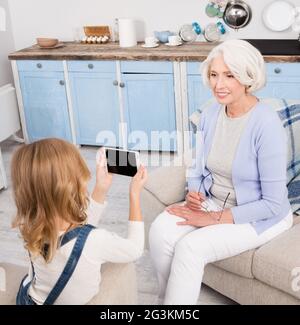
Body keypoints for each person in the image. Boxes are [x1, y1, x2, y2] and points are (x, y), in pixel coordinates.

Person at [149, 39, 293, 305]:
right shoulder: (211, 114)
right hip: (213, 202)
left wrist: (215, 219)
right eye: (214, 75)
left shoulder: (266, 124)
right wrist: (194, 193)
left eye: (229, 75)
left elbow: (272, 203)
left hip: (258, 215)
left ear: (248, 77)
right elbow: (197, 165)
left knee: (191, 248)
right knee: (160, 230)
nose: (219, 84)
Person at [12, 138, 147, 305]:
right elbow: (134, 249)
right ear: (71, 185)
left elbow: (76, 234)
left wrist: (101, 188)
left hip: (29, 300)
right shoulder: (97, 240)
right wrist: (134, 195)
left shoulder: (31, 225)